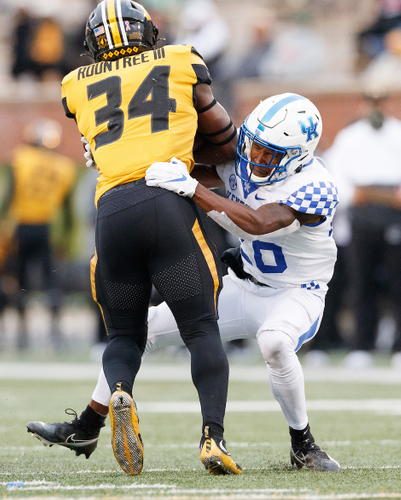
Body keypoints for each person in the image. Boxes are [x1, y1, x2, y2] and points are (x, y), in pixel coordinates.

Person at [27, 93, 340, 472]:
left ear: (299, 156)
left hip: (297, 293)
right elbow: (177, 164)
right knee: (147, 328)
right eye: (254, 147)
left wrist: (193, 189)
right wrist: (114, 156)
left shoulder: (316, 185)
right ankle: (87, 425)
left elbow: (259, 224)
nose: (255, 159)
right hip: (245, 286)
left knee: (274, 343)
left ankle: (303, 444)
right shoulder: (245, 153)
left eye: (269, 155)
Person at [28, 0, 241, 477]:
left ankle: (119, 391)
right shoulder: (182, 59)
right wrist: (187, 139)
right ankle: (212, 439)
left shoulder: (74, 85)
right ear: (146, 31)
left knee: (124, 333)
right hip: (167, 203)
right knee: (201, 329)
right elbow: (226, 140)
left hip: (113, 211)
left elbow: (105, 141)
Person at [326, 91, 401, 369]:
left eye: (381, 101)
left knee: (397, 283)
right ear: (363, 105)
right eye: (371, 102)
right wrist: (356, 195)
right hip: (360, 214)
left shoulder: (397, 134)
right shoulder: (350, 138)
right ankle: (361, 345)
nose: (376, 108)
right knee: (361, 282)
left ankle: (398, 346)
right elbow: (337, 177)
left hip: (394, 214)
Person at [0, 118, 76, 349]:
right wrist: (66, 239)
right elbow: (68, 213)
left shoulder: (19, 159)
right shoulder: (65, 167)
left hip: (21, 228)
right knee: (51, 282)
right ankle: (56, 333)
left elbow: (7, 199)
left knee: (18, 281)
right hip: (47, 229)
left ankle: (22, 335)